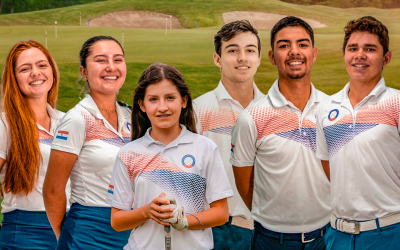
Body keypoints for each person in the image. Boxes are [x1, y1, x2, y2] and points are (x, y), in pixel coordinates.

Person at [106, 62, 233, 250]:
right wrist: (147, 211)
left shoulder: (205, 148)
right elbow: (117, 221)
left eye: (170, 98)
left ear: (184, 101)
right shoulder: (128, 153)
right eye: (153, 99)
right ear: (142, 105)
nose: (162, 107)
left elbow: (221, 213)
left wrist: (184, 221)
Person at [230, 16, 331, 250]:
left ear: (314, 54)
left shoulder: (333, 111)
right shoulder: (251, 118)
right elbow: (245, 187)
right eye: (284, 46)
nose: (294, 52)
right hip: (272, 240)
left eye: (302, 44)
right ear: (272, 57)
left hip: (327, 236)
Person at [316, 16, 400, 250]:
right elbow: (329, 167)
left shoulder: (396, 103)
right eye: (353, 48)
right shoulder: (325, 109)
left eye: (370, 49)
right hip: (337, 236)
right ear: (344, 55)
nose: (360, 55)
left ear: (386, 58)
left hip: (389, 234)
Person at [42, 36, 132, 250]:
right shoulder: (77, 119)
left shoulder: (130, 116)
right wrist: (67, 235)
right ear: (83, 71)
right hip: (88, 232)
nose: (111, 67)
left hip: (129, 227)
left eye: (117, 59)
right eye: (100, 60)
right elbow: (53, 190)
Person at [193, 19, 264, 249]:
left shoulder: (274, 109)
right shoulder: (197, 110)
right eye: (233, 50)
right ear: (217, 58)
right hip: (221, 232)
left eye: (250, 50)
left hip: (272, 232)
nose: (242, 57)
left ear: (259, 59)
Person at [0, 40, 70, 250]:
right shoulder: (5, 124)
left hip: (72, 231)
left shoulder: (70, 121)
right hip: (25, 233)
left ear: (52, 72)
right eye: (25, 68)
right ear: (14, 78)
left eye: (42, 65)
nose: (35, 73)